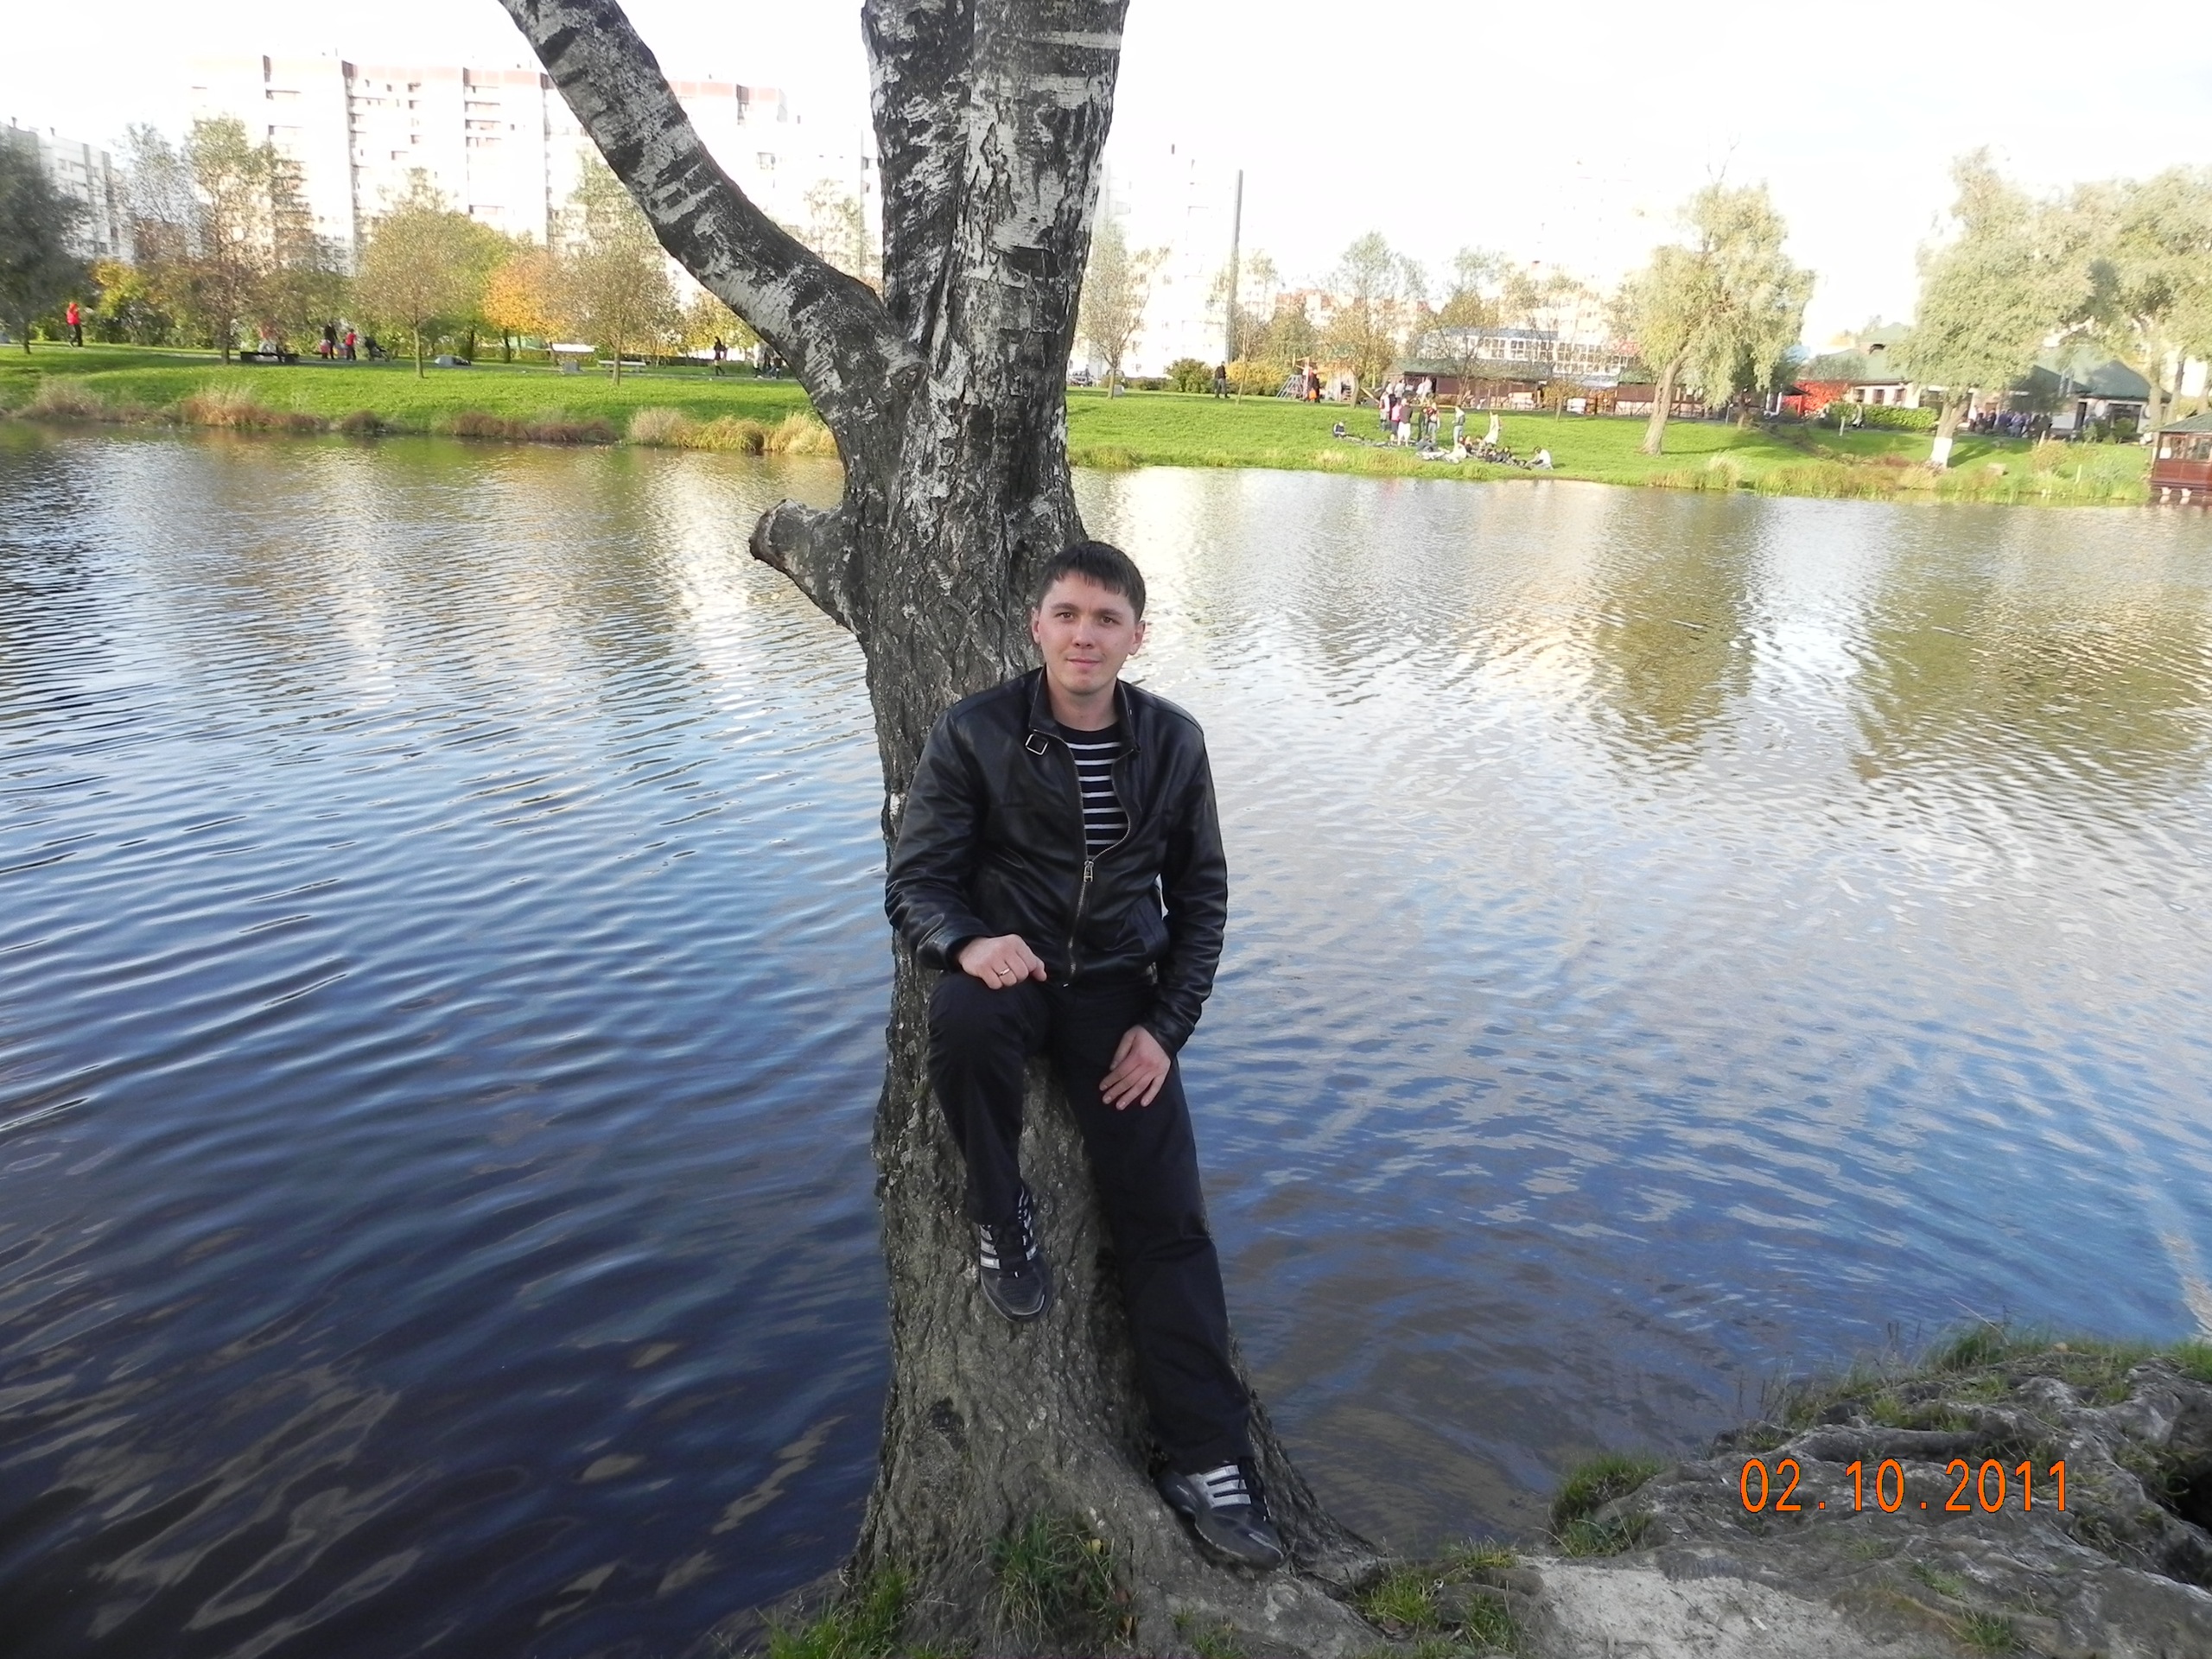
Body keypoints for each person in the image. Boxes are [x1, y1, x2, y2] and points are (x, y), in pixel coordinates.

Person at [885, 541, 1285, 1573]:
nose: (1083, 635)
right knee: (963, 1018)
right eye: (1066, 614)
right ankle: (999, 1212)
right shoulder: (976, 730)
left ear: (1135, 638)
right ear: (1037, 625)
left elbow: (1201, 899)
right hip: (1012, 969)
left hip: (1116, 992)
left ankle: (1209, 1461)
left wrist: (1165, 1029)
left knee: (1168, 1224)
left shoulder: (1172, 742)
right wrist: (966, 942)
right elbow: (917, 880)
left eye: (1106, 619)